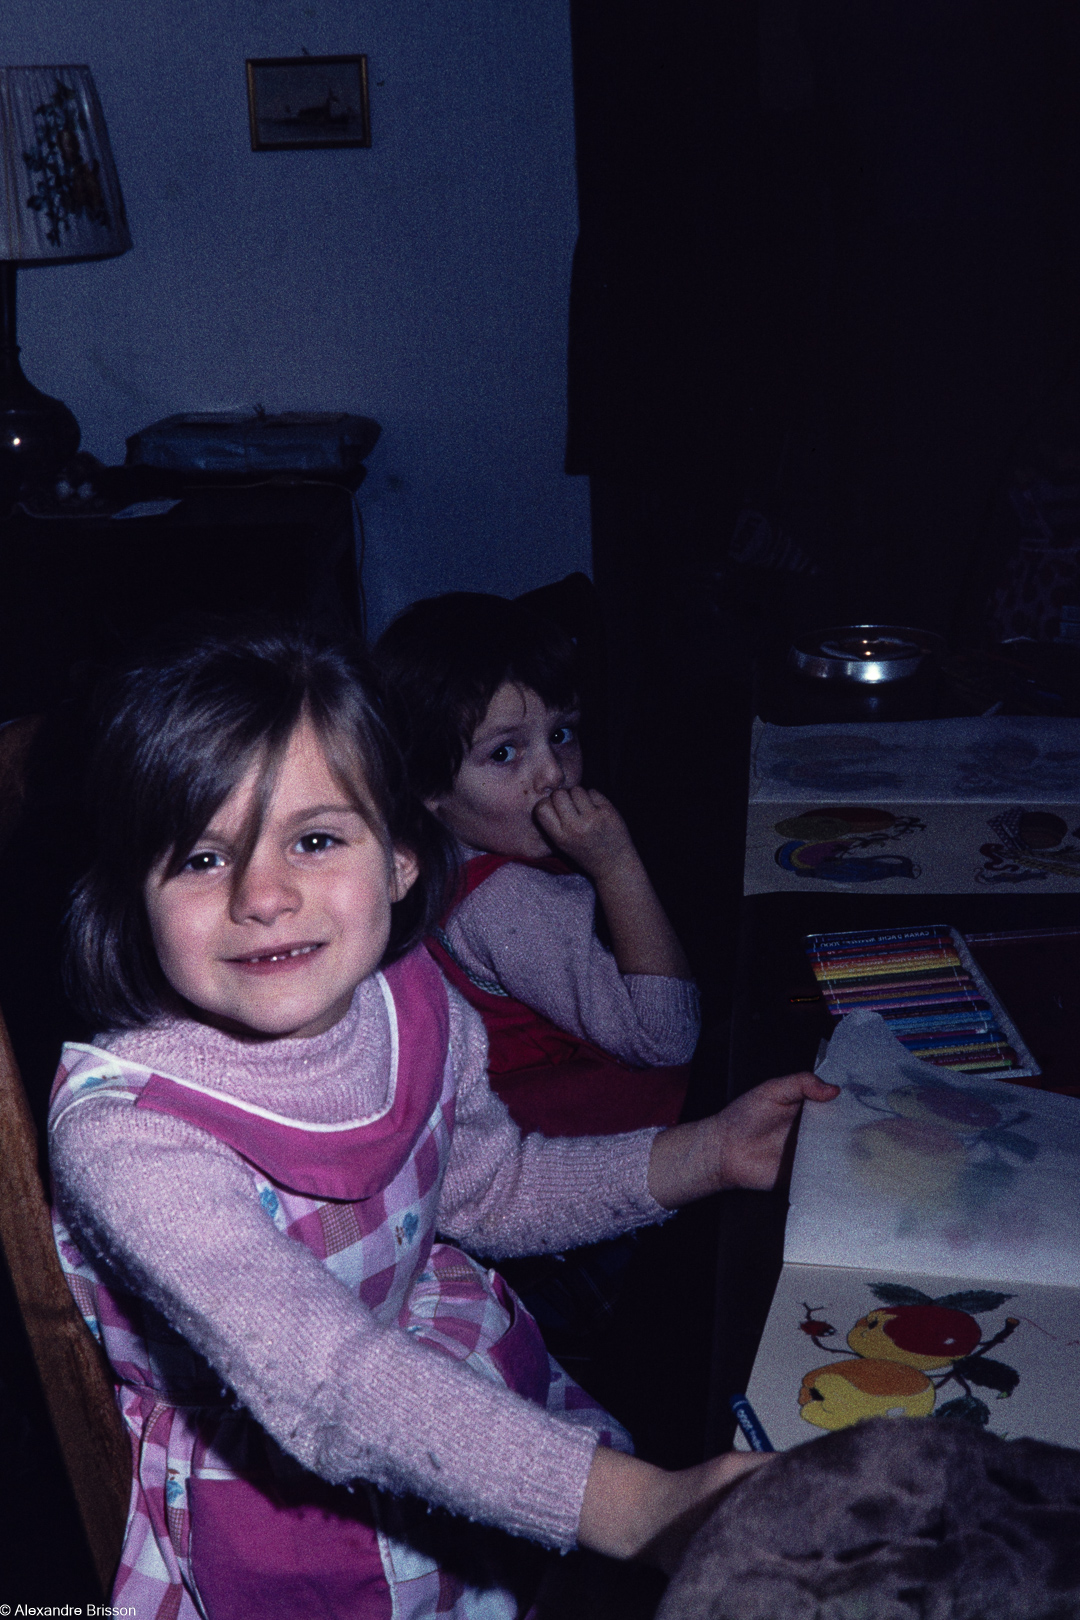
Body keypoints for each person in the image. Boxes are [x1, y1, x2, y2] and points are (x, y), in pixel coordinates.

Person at [49, 621, 836, 1618]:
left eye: (314, 839)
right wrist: (644, 1509)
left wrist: (708, 1154)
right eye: (203, 858)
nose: (263, 896)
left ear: (403, 860)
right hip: (285, 1498)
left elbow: (490, 1189)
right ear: (134, 899)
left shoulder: (410, 996)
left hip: (453, 1391)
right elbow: (328, 1381)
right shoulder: (132, 1135)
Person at [374, 592, 697, 1140]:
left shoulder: (428, 858)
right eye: (504, 753)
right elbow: (666, 1039)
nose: (553, 774)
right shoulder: (510, 900)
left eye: (561, 734)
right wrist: (619, 867)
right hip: (584, 1131)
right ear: (427, 785)